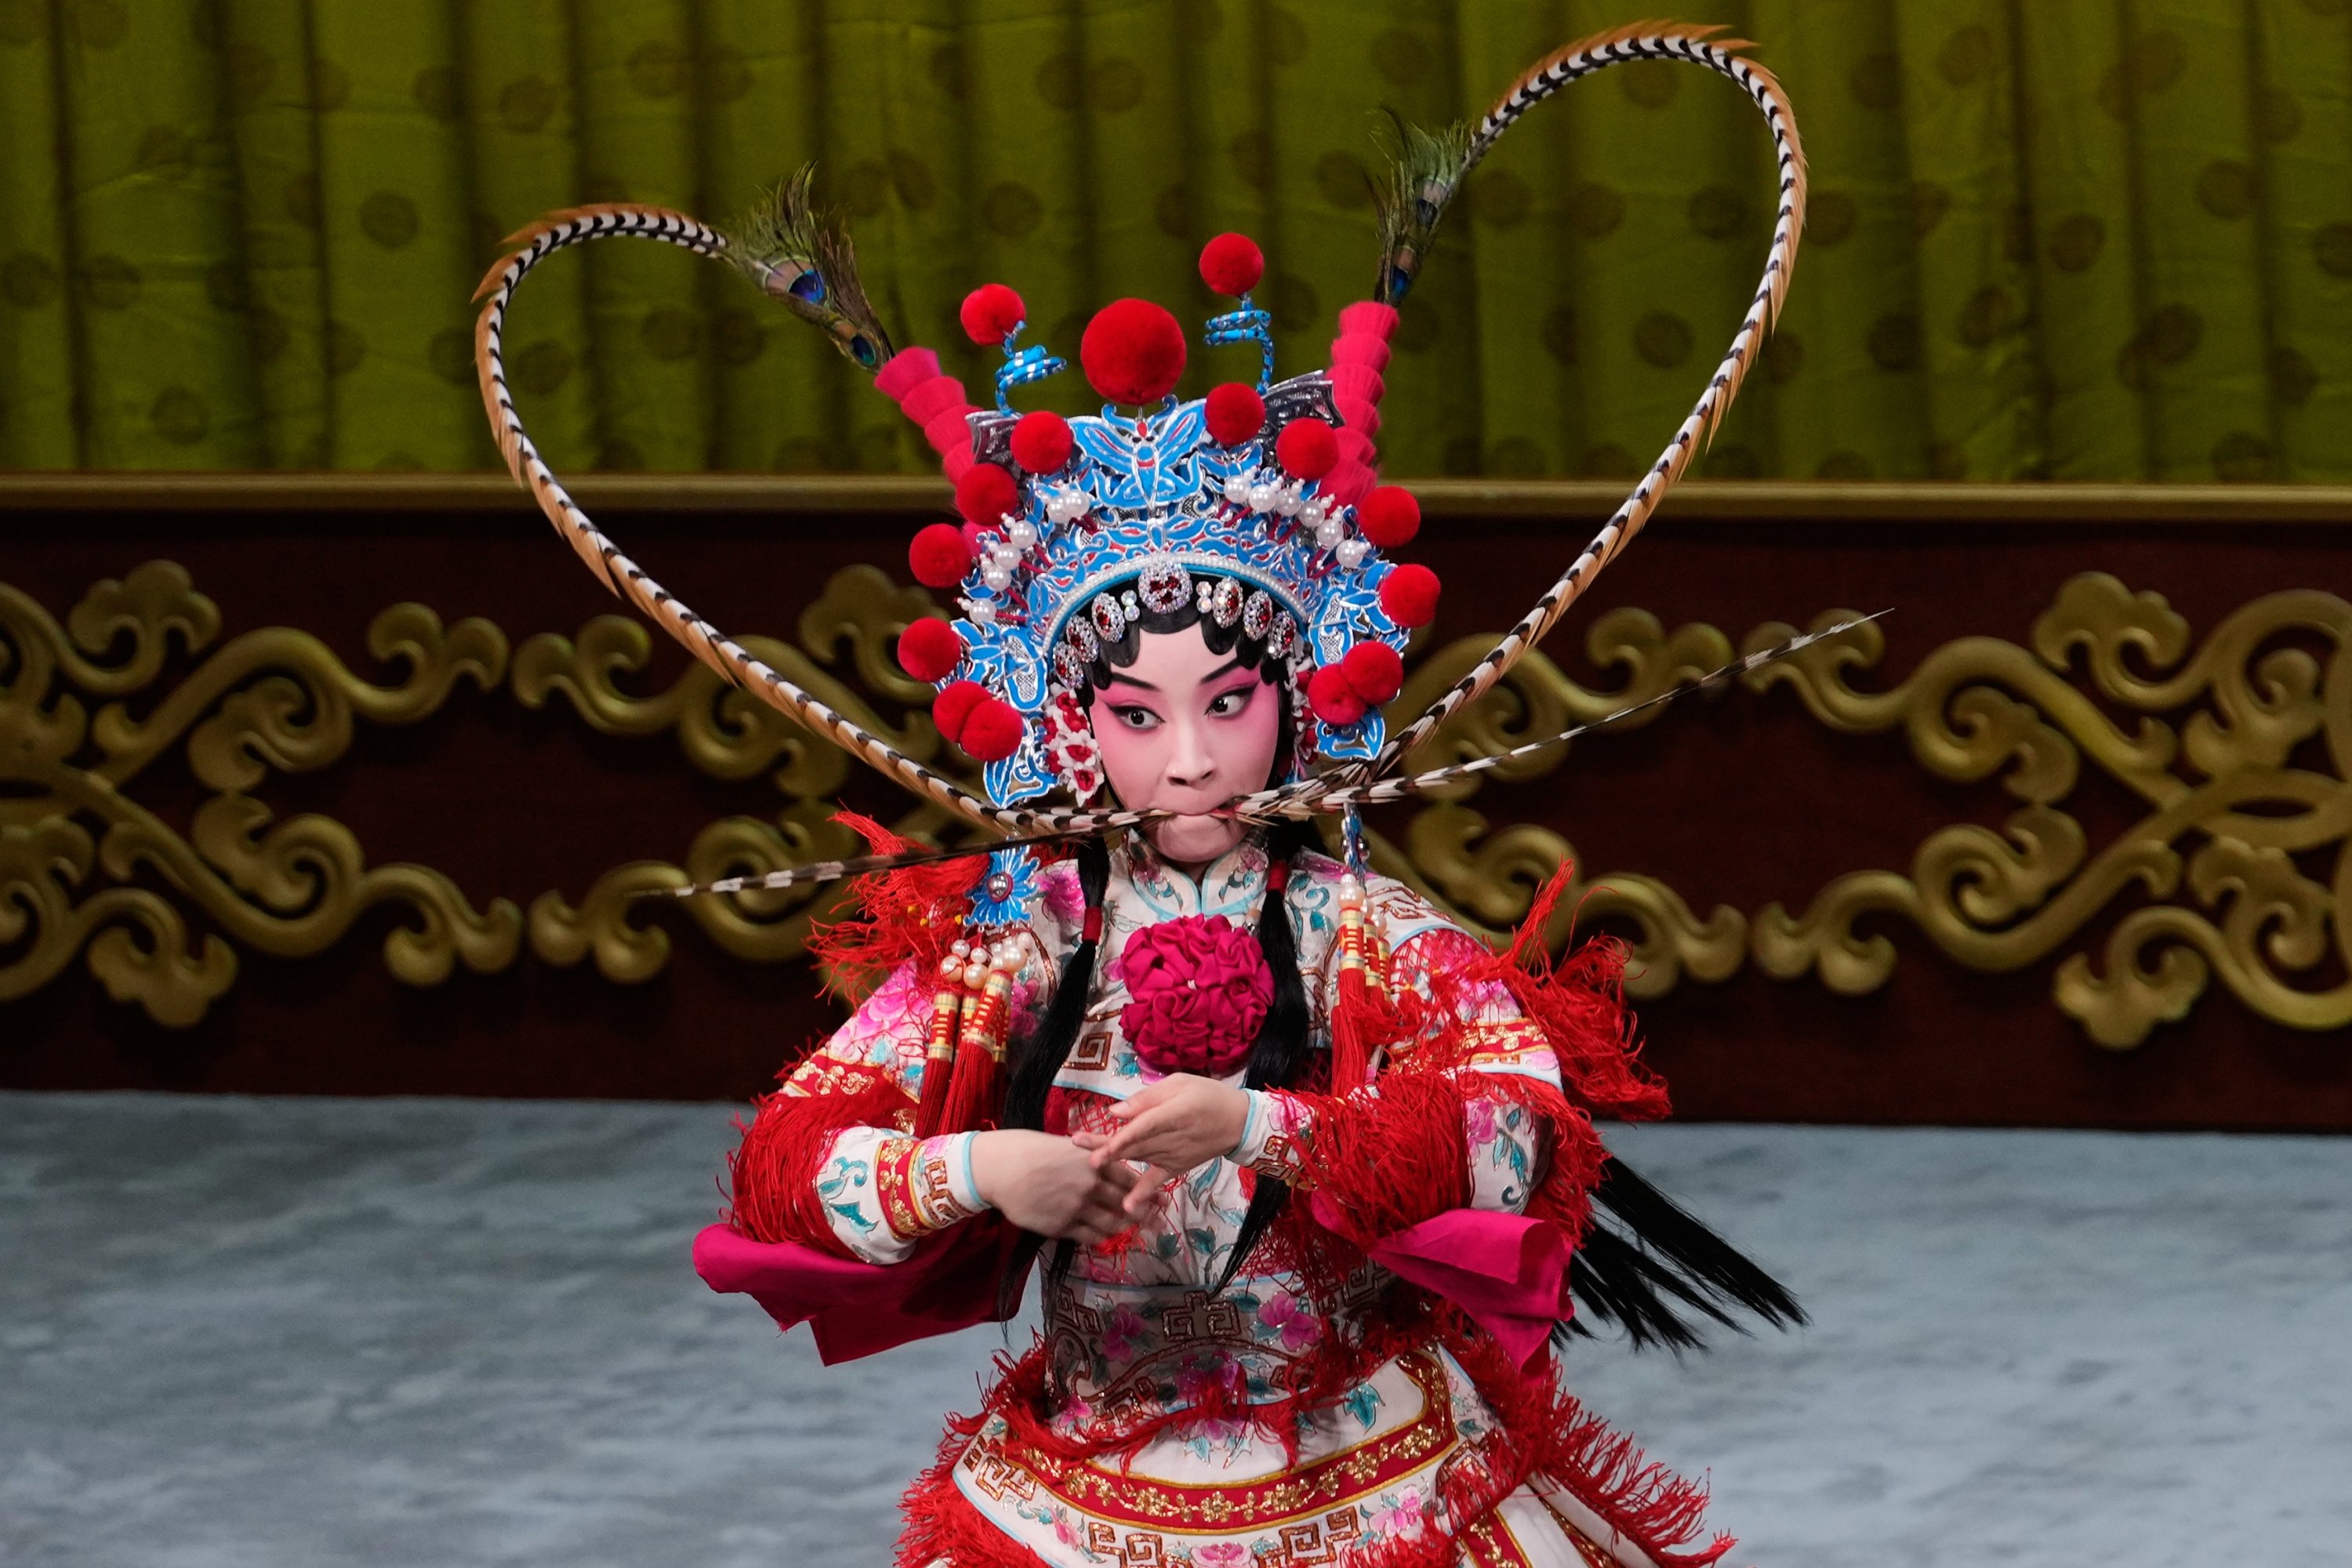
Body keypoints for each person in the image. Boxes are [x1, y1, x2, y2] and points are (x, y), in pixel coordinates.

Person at [472, 24, 1812, 1566]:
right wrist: (978, 1168)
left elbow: (1518, 1129)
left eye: (1228, 704)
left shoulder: (1353, 926)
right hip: (1087, 1491)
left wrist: (1266, 1123)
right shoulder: (1024, 945)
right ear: (1068, 726)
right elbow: (789, 1164)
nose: (1187, 757)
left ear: (1297, 701)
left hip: (1368, 1468)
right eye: (1136, 712)